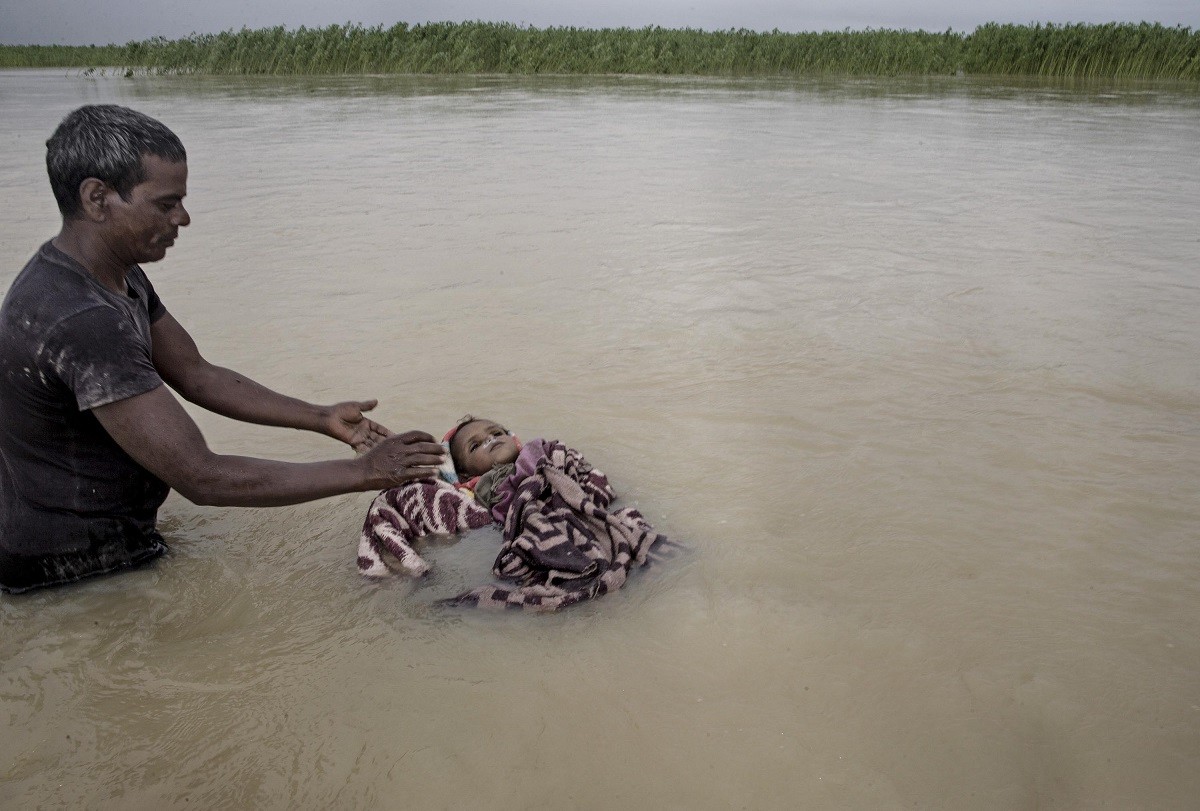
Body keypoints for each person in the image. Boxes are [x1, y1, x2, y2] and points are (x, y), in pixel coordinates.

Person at [0, 104, 444, 594]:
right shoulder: (81, 320)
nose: (183, 218)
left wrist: (320, 417)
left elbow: (196, 373)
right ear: (97, 198)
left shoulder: (116, 274)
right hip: (67, 568)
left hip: (110, 536)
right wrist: (364, 473)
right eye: (165, 204)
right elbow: (201, 477)